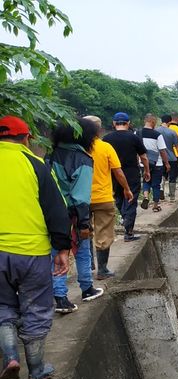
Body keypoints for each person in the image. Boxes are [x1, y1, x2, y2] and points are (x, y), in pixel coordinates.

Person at [0, 116, 70, 379]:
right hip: (31, 251)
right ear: (26, 138)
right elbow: (55, 209)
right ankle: (37, 370)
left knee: (3, 305)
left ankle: (9, 357)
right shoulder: (36, 165)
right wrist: (62, 247)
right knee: (36, 308)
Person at [47, 119, 104, 314]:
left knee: (56, 253)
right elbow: (80, 197)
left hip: (51, 213)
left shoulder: (51, 155)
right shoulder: (82, 159)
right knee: (82, 250)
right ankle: (86, 288)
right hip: (73, 214)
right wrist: (84, 223)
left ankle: (60, 297)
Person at [82, 115, 133, 280]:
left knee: (84, 231)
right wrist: (126, 189)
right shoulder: (105, 147)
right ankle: (102, 270)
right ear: (99, 129)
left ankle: (88, 265)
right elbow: (118, 171)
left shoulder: (77, 148)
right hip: (103, 197)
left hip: (81, 198)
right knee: (103, 233)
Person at [103, 112, 150, 242]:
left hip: (113, 174)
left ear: (114, 123)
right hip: (131, 174)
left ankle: (125, 218)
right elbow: (143, 157)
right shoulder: (134, 138)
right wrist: (147, 171)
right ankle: (128, 231)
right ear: (128, 123)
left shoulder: (106, 139)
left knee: (118, 198)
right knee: (131, 200)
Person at [138, 114, 170, 212]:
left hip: (143, 163)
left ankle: (146, 197)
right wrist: (167, 163)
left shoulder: (137, 133)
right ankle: (155, 206)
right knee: (156, 184)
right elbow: (162, 151)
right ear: (153, 122)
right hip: (157, 163)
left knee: (146, 180)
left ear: (145, 121)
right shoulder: (157, 135)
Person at [156, 115, 178, 201]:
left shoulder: (155, 131)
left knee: (161, 175)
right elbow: (177, 147)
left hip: (159, 158)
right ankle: (172, 197)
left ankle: (161, 191)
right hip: (171, 158)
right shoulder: (172, 132)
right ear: (169, 122)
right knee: (172, 177)